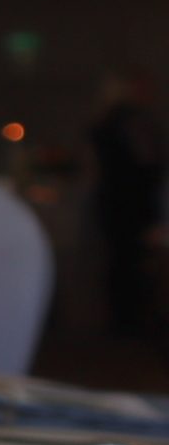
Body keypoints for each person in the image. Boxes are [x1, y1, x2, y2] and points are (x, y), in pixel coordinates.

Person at [89, 73, 167, 337]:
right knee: (128, 262)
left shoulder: (109, 122)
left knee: (124, 262)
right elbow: (144, 166)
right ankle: (129, 322)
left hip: (120, 202)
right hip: (129, 203)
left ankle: (127, 320)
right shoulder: (127, 124)